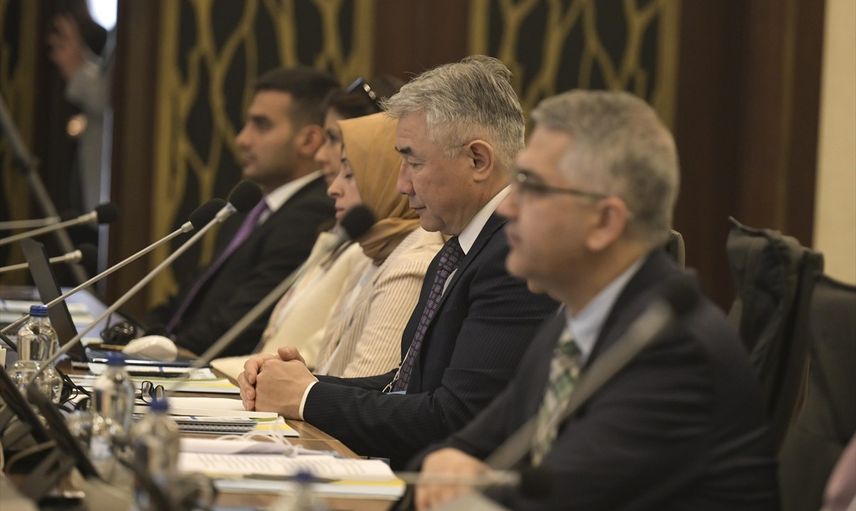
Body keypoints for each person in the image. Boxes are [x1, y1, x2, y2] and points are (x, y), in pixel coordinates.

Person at [414, 90, 780, 510]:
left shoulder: (674, 350)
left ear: (605, 222)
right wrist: (446, 465)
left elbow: (553, 501)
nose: (509, 206)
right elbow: (460, 448)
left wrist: (460, 483)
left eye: (531, 186)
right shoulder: (574, 321)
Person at [237, 56, 558, 468]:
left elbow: (455, 417)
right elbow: (407, 384)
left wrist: (307, 396)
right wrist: (302, 383)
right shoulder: (458, 249)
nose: (401, 184)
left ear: (478, 160)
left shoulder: (514, 258)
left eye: (414, 162)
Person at [211, 77, 404, 378]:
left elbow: (334, 369)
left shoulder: (394, 254)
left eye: (334, 139)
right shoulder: (348, 237)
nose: (321, 156)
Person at [146, 67, 337, 357]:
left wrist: (164, 350)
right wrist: (144, 333)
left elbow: (242, 323)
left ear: (309, 140)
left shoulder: (312, 212)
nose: (242, 139)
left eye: (261, 125)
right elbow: (193, 292)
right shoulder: (252, 205)